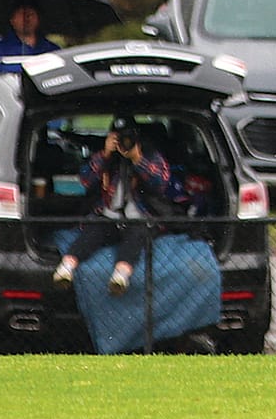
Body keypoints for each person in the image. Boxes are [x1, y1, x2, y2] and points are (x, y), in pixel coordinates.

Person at [51, 117, 190, 295]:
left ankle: (120, 276)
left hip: (140, 219)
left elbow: (161, 182)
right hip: (109, 217)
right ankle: (66, 268)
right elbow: (85, 180)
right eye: (119, 138)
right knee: (93, 232)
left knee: (137, 235)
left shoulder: (150, 154)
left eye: (128, 137)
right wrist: (106, 154)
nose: (124, 142)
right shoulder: (107, 157)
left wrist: (137, 159)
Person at [0, 2, 60, 71]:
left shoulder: (53, 50)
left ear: (38, 19)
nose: (27, 19)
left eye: (31, 14)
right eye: (21, 14)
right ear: (12, 20)